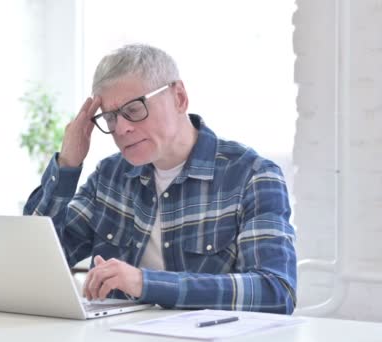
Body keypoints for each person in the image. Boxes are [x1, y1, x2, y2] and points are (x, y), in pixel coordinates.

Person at [23, 44, 296, 314]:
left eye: (134, 109)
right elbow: (34, 265)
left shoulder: (253, 176)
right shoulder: (109, 177)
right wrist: (68, 165)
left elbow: (275, 291)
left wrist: (145, 283)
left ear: (179, 97)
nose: (122, 128)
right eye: (110, 117)